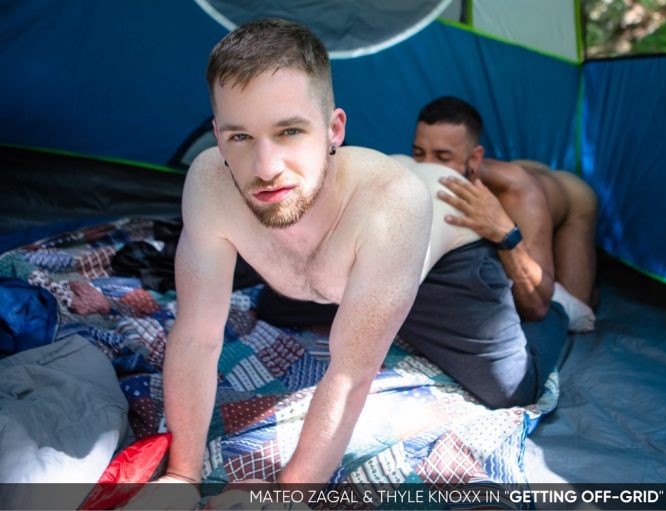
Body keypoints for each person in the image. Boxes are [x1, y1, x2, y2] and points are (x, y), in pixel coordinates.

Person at [127, 20, 566, 507]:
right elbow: (196, 335)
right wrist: (181, 477)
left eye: (290, 131)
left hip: (443, 255)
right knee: (274, 306)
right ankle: (369, 297)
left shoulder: (391, 204)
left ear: (334, 129)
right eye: (240, 137)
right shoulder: (211, 179)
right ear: (217, 135)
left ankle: (560, 311)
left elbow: (351, 374)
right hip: (343, 264)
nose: (266, 168)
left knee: (511, 387)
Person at [412, 96, 599, 333]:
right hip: (521, 172)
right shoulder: (414, 171)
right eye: (419, 153)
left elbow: (537, 305)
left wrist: (504, 232)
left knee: (575, 312)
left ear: (475, 158)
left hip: (571, 197)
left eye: (442, 158)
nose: (426, 166)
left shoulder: (518, 195)